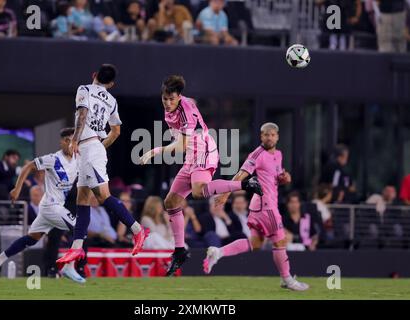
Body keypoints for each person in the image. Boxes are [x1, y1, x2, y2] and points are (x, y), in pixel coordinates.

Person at [139, 75, 263, 276]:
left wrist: (154, 151)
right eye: (165, 99)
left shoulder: (185, 110)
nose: (168, 102)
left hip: (204, 149)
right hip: (191, 154)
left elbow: (179, 145)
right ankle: (179, 251)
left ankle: (246, 184)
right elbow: (181, 144)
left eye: (172, 99)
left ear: (179, 96)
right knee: (170, 202)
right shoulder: (170, 109)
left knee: (198, 192)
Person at [55, 64, 149, 270]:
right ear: (112, 84)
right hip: (93, 147)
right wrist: (100, 146)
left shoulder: (84, 89)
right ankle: (77, 246)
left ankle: (137, 229)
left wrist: (75, 140)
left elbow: (82, 115)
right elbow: (116, 131)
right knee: (83, 198)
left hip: (87, 148)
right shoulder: (112, 101)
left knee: (103, 196)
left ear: (94, 75)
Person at [202, 122, 309, 291]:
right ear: (261, 136)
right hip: (266, 206)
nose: (269, 137)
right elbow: (241, 174)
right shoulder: (257, 154)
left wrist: (284, 178)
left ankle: (218, 252)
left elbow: (276, 175)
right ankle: (287, 279)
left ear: (277, 136)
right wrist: (226, 193)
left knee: (255, 243)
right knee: (280, 240)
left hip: (259, 206)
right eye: (266, 135)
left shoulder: (279, 154)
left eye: (273, 134)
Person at [0, 128, 85, 283]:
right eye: (68, 140)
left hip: (50, 206)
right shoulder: (53, 159)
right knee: (80, 228)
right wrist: (17, 189)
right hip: (51, 206)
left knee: (32, 239)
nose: (72, 144)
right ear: (64, 142)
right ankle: (69, 267)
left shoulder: (78, 159)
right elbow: (28, 167)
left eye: (74, 141)